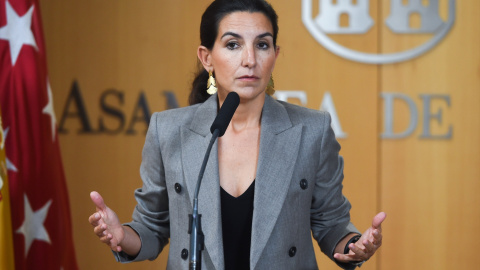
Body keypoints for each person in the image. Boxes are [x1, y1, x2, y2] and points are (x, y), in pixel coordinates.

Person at [88, 0, 386, 269]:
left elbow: (330, 223)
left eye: (262, 45)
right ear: (206, 58)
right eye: (233, 45)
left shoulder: (312, 131)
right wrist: (121, 235)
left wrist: (353, 245)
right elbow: (153, 227)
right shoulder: (169, 130)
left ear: (275, 54)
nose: (249, 60)